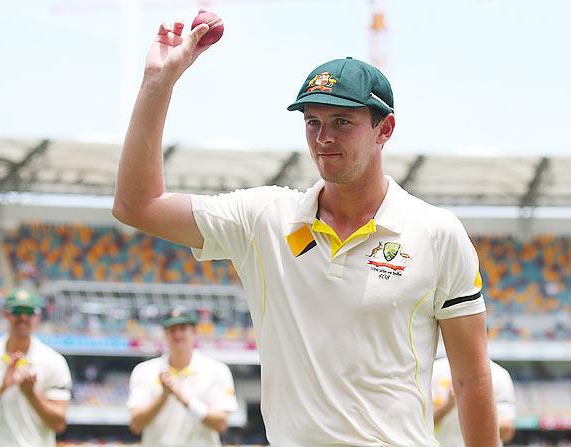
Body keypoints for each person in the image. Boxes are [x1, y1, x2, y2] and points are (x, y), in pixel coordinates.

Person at [112, 17, 498, 446]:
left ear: (383, 129)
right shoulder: (264, 218)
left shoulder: (437, 232)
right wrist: (158, 82)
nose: (323, 138)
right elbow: (137, 205)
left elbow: (471, 379)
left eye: (341, 122)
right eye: (312, 121)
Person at [0, 289, 72, 447]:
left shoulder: (53, 361)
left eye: (29, 311)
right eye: (17, 311)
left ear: (38, 316)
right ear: (5, 314)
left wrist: (30, 394)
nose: (23, 317)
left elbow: (59, 424)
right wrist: (2, 388)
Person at [126, 308, 238, 446]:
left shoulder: (217, 370)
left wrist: (184, 400)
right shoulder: (144, 371)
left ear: (194, 332)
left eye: (183, 328)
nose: (177, 334)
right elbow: (136, 425)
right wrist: (163, 397)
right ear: (165, 334)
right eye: (172, 329)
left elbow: (221, 424)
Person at [433, 353, 517, 446]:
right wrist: (448, 406)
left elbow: (506, 432)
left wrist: (477, 406)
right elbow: (421, 424)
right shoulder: (435, 370)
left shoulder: (499, 375)